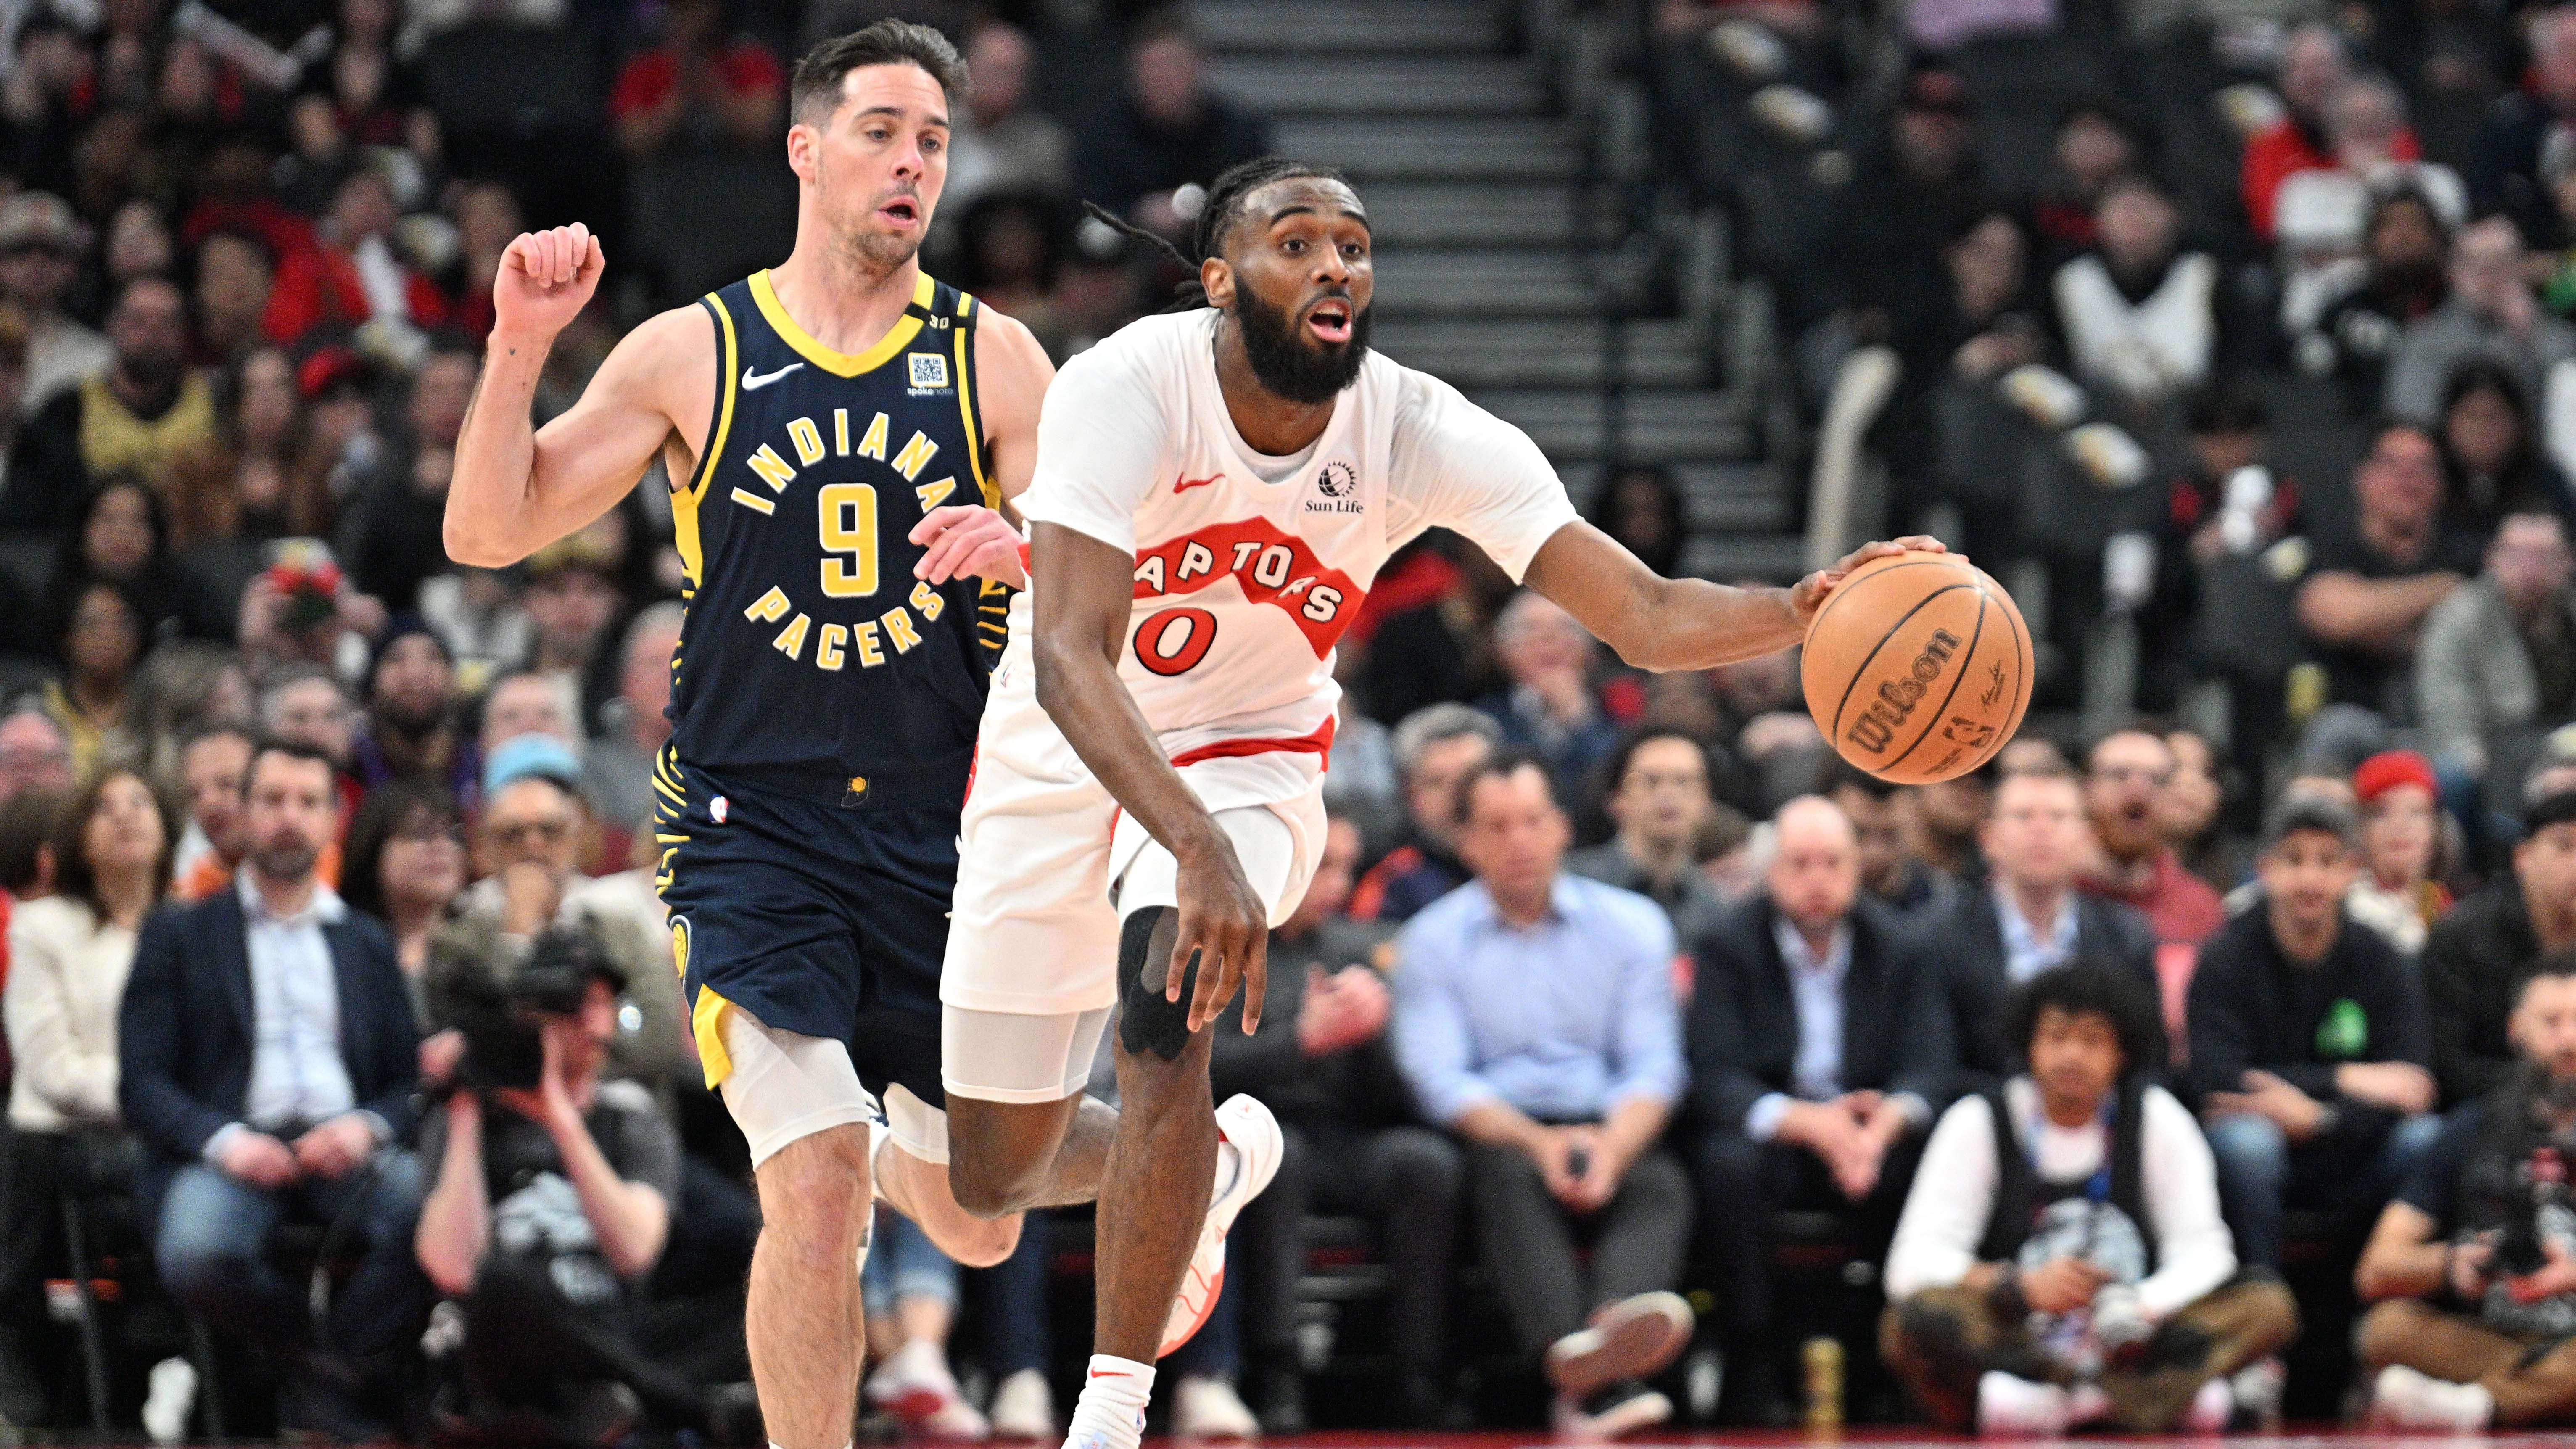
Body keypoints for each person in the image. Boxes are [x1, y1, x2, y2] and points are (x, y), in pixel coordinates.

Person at [927, 145, 1934, 1449]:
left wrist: (1802, 610)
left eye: (1353, 244)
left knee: (1165, 999)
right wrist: (1183, 838)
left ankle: (1108, 1416)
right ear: (1220, 282)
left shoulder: (1413, 427)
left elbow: (1637, 613)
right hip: (1064, 752)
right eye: (1297, 242)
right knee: (992, 1174)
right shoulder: (1125, 384)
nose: (1336, 262)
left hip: (1249, 749)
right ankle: (1217, 1169)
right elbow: (1066, 658)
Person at [439, 26, 1127, 1449]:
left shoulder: (994, 358)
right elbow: (485, 528)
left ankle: (1198, 1162)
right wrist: (517, 346)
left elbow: (1121, 602)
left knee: (976, 1212)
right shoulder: (696, 349)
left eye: (932, 138)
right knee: (815, 1176)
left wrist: (1038, 559)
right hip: (753, 834)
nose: (912, 161)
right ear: (805, 150)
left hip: (946, 837)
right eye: (880, 130)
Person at [115, 738, 425, 1436]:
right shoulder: (180, 933)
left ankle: (313, 1381)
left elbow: (406, 1080)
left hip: (343, 1140)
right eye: (273, 800)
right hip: (229, 1147)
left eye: (308, 802)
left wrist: (364, 1127)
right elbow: (142, 1081)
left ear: (332, 820)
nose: (290, 817)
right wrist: (227, 1142)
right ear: (243, 814)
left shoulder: (366, 941)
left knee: (432, 1219)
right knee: (196, 1251)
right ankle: (329, 1374)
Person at [1391, 752, 1694, 1438]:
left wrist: (1611, 1147)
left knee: (1660, 1182)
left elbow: (1654, 1064)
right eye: (1497, 826)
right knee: (1505, 1179)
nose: (1518, 841)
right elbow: (1439, 1079)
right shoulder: (1429, 941)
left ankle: (1604, 1349)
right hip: (1503, 1132)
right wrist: (1538, 1142)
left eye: (1532, 820)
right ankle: (1598, 1378)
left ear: (1561, 827)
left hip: (1609, 1123)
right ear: (1466, 842)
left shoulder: (1634, 924)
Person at [1882, 965, 2297, 1434]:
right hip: (2020, 1335)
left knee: (2267, 1305)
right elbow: (1911, 1264)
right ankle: (2145, 1400)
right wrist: (2015, 1287)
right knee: (1909, 1322)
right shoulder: (1978, 1119)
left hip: (2129, 1337)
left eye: (2091, 1040)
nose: (2071, 1056)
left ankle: (2062, 1405)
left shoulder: (2156, 1117)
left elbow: (2204, 1250)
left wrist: (2136, 1303)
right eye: (2055, 1037)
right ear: (2028, 1045)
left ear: (2122, 1052)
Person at [415, 928, 752, 1444]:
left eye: (605, 1004)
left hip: (613, 1325)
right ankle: (683, 1407)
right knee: (502, 1284)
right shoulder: (469, 1118)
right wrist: (464, 1107)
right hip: (511, 1339)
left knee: (761, 1271)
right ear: (532, 1016)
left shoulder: (628, 1114)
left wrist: (560, 1117)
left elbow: (636, 1252)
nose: (596, 1023)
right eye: (577, 1005)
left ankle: (600, 1409)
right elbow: (456, 1270)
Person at [1687, 794, 1952, 1418]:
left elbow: (1930, 1065)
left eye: (1832, 862)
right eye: (1799, 863)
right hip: (1777, 1132)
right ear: (1770, 870)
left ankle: (1894, 1358)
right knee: (1726, 1164)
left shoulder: (1902, 944)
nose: (1817, 880)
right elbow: (1713, 1073)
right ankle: (1751, 1358)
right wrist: (1809, 1123)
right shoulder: (1727, 943)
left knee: (1926, 1161)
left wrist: (1885, 1122)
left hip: (1868, 1130)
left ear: (1857, 867)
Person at [2188, 795, 2442, 1270]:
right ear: (2264, 869)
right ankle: (2261, 1304)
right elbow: (2213, 1076)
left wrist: (2319, 1117)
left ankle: (2381, 1300)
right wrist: (2350, 1080)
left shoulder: (2382, 959)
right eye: (2293, 860)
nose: (2309, 879)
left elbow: (2414, 1084)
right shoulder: (2225, 956)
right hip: (2265, 1139)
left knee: (2424, 1139)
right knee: (2246, 1145)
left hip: (2356, 1143)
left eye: (2326, 862)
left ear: (2350, 872)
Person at [2354, 953, 2576, 1428]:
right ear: (2515, 1030)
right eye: (2551, 1022)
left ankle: (2479, 1405)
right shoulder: (2473, 1128)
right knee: (2386, 1328)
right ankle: (2534, 1394)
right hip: (2489, 1337)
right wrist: (2451, 1263)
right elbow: (2375, 1269)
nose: (2569, 1041)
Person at [1934, 763, 2159, 1093]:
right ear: (1988, 839)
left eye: (2058, 817)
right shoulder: (1942, 937)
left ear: (2088, 838)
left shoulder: (2128, 936)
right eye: (2023, 816)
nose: (2041, 830)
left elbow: (2148, 1061)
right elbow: (1937, 1065)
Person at [2426, 789, 2576, 1104]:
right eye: (2565, 846)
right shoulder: (2463, 935)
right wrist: (2545, 1085)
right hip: (2485, 1109)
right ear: (2523, 857)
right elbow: (2448, 1066)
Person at [2417, 509, 2576, 782]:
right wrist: (2483, 767)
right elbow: (2447, 716)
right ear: (2491, 557)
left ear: (2568, 561)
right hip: (2488, 755)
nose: (2530, 569)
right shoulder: (2457, 618)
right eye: (2516, 555)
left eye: (2545, 556)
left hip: (2567, 753)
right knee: (2454, 776)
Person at [2386, 216, 2576, 426]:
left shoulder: (2551, 334)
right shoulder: (2422, 339)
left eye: (2502, 263)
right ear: (2453, 273)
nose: (2490, 277)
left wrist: (2530, 334)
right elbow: (2410, 416)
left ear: (2523, 268)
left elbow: (2565, 404)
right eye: (2477, 264)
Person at [1565, 728, 1728, 943]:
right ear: (1617, 800)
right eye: (1650, 782)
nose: (1668, 794)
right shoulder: (1572, 889)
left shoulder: (1717, 909)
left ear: (1707, 803)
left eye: (1684, 782)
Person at [2079, 725, 2225, 953]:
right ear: (2086, 790)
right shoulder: (2046, 890)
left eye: (2156, 779)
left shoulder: (2200, 909)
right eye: (2119, 775)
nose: (2138, 789)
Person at [1347, 703, 1497, 922]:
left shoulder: (1539, 860)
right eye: (1437, 783)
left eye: (1470, 779)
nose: (1456, 796)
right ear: (1411, 794)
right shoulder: (1394, 881)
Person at [338, 778, 466, 996]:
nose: (442, 846)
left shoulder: (483, 943)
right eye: (421, 833)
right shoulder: (345, 950)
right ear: (374, 851)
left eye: (454, 834)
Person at [2348, 750, 2451, 954]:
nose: (2401, 826)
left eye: (2417, 812)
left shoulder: (2442, 905)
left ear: (2436, 828)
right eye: (2381, 812)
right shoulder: (2347, 910)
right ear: (2360, 830)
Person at [1826, 764, 1956, 924]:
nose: (1875, 852)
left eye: (1889, 836)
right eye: (1858, 834)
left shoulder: (1948, 908)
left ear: (1917, 821)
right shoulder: (1798, 911)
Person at [171, 721, 251, 900]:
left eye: (226, 784)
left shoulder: (326, 875)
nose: (208, 803)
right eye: (195, 794)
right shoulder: (188, 898)